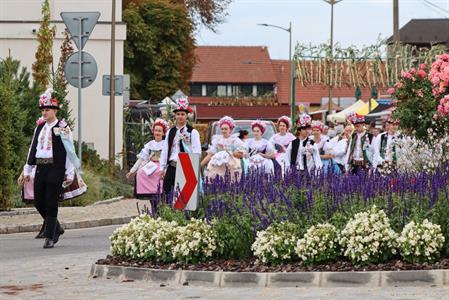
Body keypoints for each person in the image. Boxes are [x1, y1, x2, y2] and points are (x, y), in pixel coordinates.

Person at [18, 89, 75, 249]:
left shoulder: (62, 127)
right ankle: (56, 227)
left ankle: (50, 236)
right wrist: (28, 170)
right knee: (38, 201)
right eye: (43, 110)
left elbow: (70, 151)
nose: (44, 112)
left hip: (55, 167)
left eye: (47, 109)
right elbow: (33, 148)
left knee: (51, 202)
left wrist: (69, 172)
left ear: (55, 110)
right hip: (40, 167)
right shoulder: (40, 127)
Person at [160, 97, 201, 195]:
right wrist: (162, 168)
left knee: (184, 195)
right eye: (178, 114)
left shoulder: (193, 132)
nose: (180, 117)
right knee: (166, 194)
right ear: (175, 116)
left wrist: (194, 169)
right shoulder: (170, 131)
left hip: (186, 167)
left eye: (183, 114)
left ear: (187, 116)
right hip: (172, 166)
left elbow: (197, 152)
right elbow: (165, 150)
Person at [127, 118, 168, 198]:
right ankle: (147, 193)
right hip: (150, 165)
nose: (157, 132)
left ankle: (161, 193)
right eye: (156, 130)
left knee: (159, 173)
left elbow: (167, 158)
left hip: (161, 165)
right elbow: (141, 159)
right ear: (153, 131)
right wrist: (132, 171)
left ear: (163, 133)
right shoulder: (150, 144)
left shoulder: (165, 144)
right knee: (140, 173)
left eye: (159, 131)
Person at [201, 116, 246, 181]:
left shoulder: (235, 140)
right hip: (217, 167)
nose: (223, 131)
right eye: (222, 129)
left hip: (231, 166)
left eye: (225, 129)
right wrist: (200, 165)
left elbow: (241, 154)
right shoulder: (217, 140)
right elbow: (210, 155)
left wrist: (229, 152)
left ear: (230, 129)